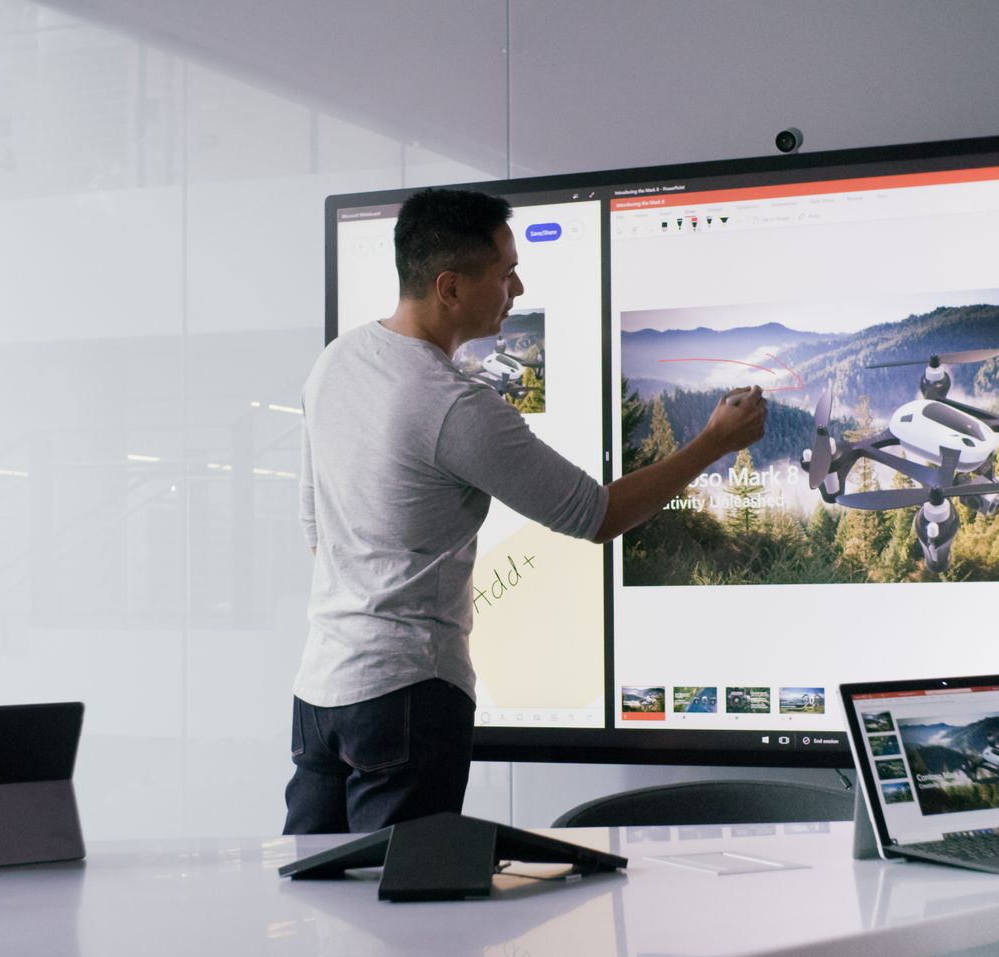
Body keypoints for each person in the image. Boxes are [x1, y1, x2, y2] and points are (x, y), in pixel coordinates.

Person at [288, 188, 766, 834]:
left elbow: (317, 531)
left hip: (320, 693)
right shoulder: (453, 404)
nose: (518, 285)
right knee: (400, 923)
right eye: (505, 271)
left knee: (314, 908)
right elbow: (596, 515)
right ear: (450, 287)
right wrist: (714, 442)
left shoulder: (335, 363)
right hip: (406, 697)